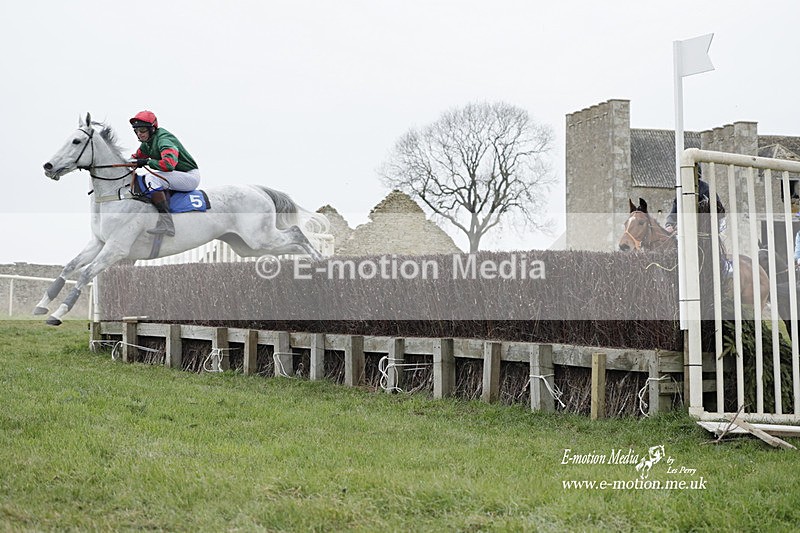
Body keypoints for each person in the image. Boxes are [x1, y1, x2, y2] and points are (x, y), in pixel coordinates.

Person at [129, 110, 200, 237]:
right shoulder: (147, 144)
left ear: (152, 129)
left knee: (152, 178)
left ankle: (167, 223)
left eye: (143, 130)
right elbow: (133, 160)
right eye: (136, 131)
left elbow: (168, 164)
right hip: (177, 176)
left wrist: (147, 162)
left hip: (189, 176)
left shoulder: (164, 139)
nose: (139, 134)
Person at [664, 166, 725, 235]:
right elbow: (674, 213)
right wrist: (669, 224)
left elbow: (720, 211)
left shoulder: (706, 189)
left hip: (704, 233)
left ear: (697, 176)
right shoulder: (682, 190)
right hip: (684, 232)